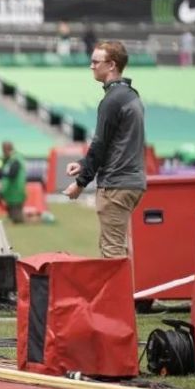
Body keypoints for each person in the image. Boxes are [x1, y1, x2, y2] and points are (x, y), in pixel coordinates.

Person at [63, 41, 147, 259]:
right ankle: (131, 284)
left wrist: (80, 183)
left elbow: (100, 144)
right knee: (121, 248)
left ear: (111, 65)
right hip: (132, 182)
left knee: (112, 252)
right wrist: (83, 164)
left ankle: (122, 285)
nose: (91, 66)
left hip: (116, 184)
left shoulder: (112, 100)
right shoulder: (131, 95)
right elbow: (114, 143)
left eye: (95, 61)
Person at [0, 141, 26, 223]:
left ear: (6, 149)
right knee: (13, 217)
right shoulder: (10, 159)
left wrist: (0, 173)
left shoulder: (15, 159)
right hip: (11, 192)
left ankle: (38, 219)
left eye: (3, 150)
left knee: (18, 219)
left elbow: (12, 173)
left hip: (16, 191)